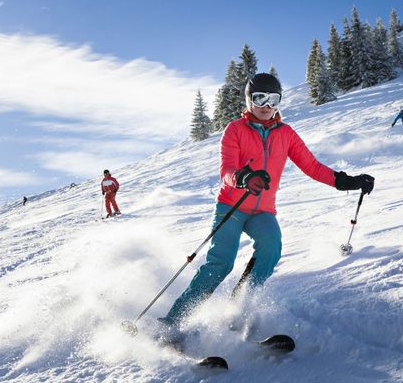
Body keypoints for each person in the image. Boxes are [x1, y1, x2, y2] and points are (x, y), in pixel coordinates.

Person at [160, 73, 374, 327]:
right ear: (249, 100)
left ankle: (238, 307)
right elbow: (226, 170)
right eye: (260, 98)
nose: (267, 106)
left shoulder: (286, 134)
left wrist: (347, 181)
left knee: (271, 248)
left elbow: (312, 167)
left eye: (274, 99)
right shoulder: (235, 130)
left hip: (262, 211)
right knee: (220, 264)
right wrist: (243, 178)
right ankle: (172, 322)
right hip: (232, 207)